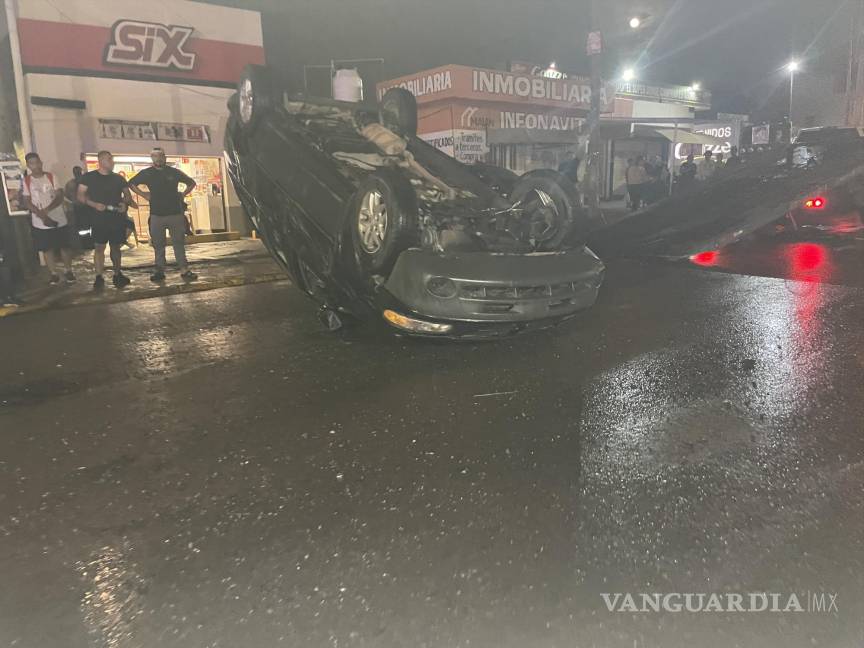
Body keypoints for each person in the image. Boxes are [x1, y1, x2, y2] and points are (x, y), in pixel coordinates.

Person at [128, 148, 198, 282]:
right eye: (155, 156)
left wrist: (182, 195)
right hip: (156, 215)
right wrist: (143, 195)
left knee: (178, 243)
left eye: (161, 156)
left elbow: (191, 183)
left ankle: (184, 269)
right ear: (152, 158)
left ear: (165, 157)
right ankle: (159, 271)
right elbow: (131, 183)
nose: (158, 158)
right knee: (158, 245)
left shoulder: (174, 172)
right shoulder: (147, 173)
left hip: (175, 214)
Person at [77, 151, 137, 290]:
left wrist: (124, 203)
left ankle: (117, 274)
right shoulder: (89, 177)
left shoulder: (118, 178)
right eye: (109, 159)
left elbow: (127, 195)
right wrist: (93, 204)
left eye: (112, 159)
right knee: (99, 247)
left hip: (116, 217)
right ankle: (99, 276)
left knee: (116, 247)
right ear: (101, 161)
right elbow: (80, 196)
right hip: (98, 218)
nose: (112, 162)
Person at [21, 153, 75, 284]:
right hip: (40, 222)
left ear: (41, 162)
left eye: (37, 162)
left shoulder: (51, 177)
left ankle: (68, 270)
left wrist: (47, 209)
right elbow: (27, 200)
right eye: (32, 163)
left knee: (64, 246)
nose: (36, 165)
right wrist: (40, 213)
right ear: (28, 165)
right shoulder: (27, 180)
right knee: (47, 248)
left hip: (58, 218)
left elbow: (59, 196)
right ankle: (53, 273)